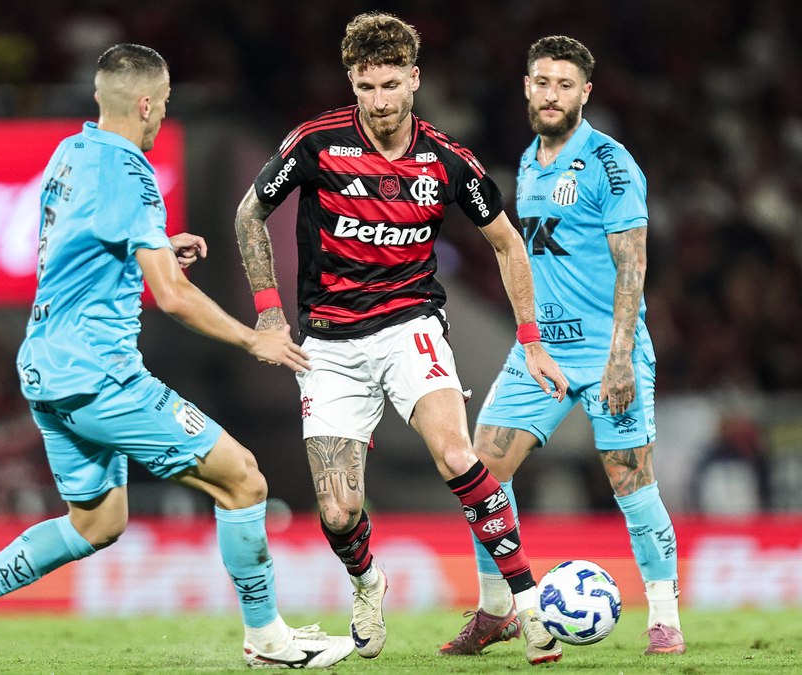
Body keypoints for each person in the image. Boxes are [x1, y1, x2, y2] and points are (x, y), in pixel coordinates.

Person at [0, 43, 355, 673]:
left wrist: (159, 245)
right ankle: (268, 640)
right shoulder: (134, 173)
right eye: (163, 104)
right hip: (100, 376)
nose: (164, 115)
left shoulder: (71, 154)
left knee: (96, 522)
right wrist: (256, 340)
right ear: (144, 103)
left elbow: (82, 246)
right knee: (243, 479)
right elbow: (169, 296)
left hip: (45, 371)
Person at [232, 12, 569, 666]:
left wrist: (530, 338)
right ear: (351, 82)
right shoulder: (316, 143)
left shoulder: (446, 159)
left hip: (410, 325)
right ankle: (367, 582)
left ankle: (527, 604)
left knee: (455, 452)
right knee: (337, 509)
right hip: (329, 344)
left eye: (391, 85)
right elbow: (250, 213)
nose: (380, 102)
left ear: (415, 79)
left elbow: (507, 241)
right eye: (366, 87)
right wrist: (270, 312)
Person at [438, 35, 686, 657]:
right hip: (541, 353)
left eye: (565, 85)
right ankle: (499, 610)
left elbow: (633, 266)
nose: (552, 94)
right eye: (542, 82)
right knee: (481, 471)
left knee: (631, 483)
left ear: (585, 93)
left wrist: (622, 356)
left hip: (609, 352)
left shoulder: (610, 163)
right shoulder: (528, 160)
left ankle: (663, 618)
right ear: (527, 86)